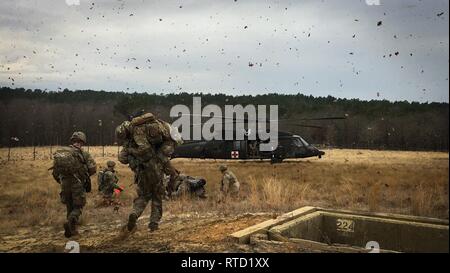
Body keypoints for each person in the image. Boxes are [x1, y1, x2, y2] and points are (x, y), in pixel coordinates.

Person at [116, 112, 179, 232]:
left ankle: (134, 214)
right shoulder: (150, 140)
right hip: (154, 170)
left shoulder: (131, 141)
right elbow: (147, 151)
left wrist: (131, 151)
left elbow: (122, 159)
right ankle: (154, 224)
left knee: (143, 196)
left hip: (140, 172)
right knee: (157, 196)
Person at [51, 131, 96, 238]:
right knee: (78, 206)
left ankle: (72, 230)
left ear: (72, 140)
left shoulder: (62, 153)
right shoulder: (84, 154)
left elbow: (55, 172)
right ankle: (71, 222)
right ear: (83, 142)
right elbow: (92, 169)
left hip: (64, 183)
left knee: (69, 206)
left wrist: (61, 181)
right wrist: (84, 176)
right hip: (77, 183)